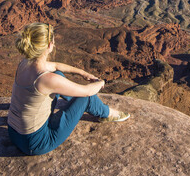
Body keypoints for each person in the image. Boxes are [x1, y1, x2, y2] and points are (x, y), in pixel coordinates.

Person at [7, 22, 130, 156]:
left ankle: (82, 106)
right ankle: (108, 114)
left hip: (13, 133)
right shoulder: (46, 80)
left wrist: (83, 73)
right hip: (36, 143)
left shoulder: (24, 63)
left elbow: (56, 66)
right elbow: (88, 91)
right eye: (53, 41)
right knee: (86, 98)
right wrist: (100, 83)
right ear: (49, 46)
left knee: (58, 74)